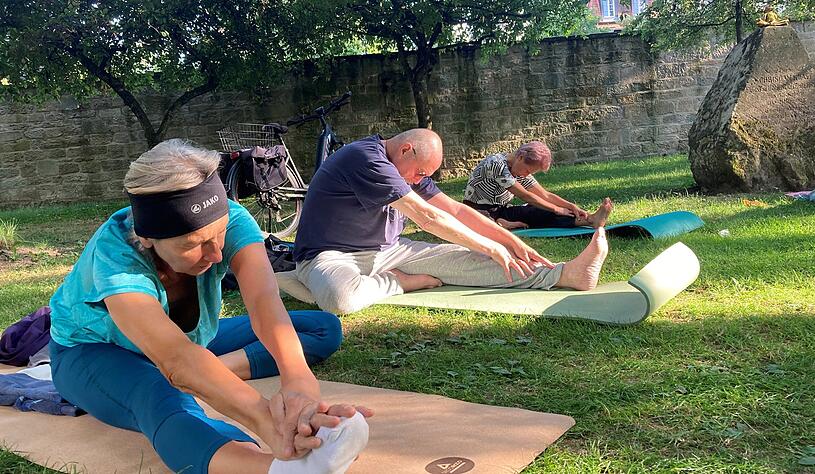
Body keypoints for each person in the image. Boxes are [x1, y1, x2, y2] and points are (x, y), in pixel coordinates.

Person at [48, 140, 370, 474]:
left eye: (218, 235)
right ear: (147, 238)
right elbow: (176, 358)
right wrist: (266, 421)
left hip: (192, 344)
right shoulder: (115, 256)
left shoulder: (231, 220)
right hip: (91, 352)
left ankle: (210, 373)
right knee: (160, 393)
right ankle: (273, 469)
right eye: (193, 245)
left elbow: (265, 304)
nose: (216, 255)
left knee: (321, 327)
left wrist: (300, 393)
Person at [292, 129, 610, 315]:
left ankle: (566, 274)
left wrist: (509, 241)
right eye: (420, 173)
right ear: (405, 150)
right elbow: (428, 217)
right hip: (329, 255)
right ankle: (397, 282)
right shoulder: (365, 159)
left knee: (471, 260)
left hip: (388, 251)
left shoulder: (405, 165)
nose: (421, 180)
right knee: (340, 299)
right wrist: (487, 243)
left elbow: (455, 210)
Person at [462, 141, 613, 230]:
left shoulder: (517, 168)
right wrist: (557, 209)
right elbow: (526, 195)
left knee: (538, 209)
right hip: (478, 210)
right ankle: (499, 224)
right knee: (482, 226)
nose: (527, 174)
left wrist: (571, 206)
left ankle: (590, 219)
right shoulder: (496, 164)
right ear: (520, 157)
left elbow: (544, 195)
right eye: (527, 170)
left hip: (501, 210)